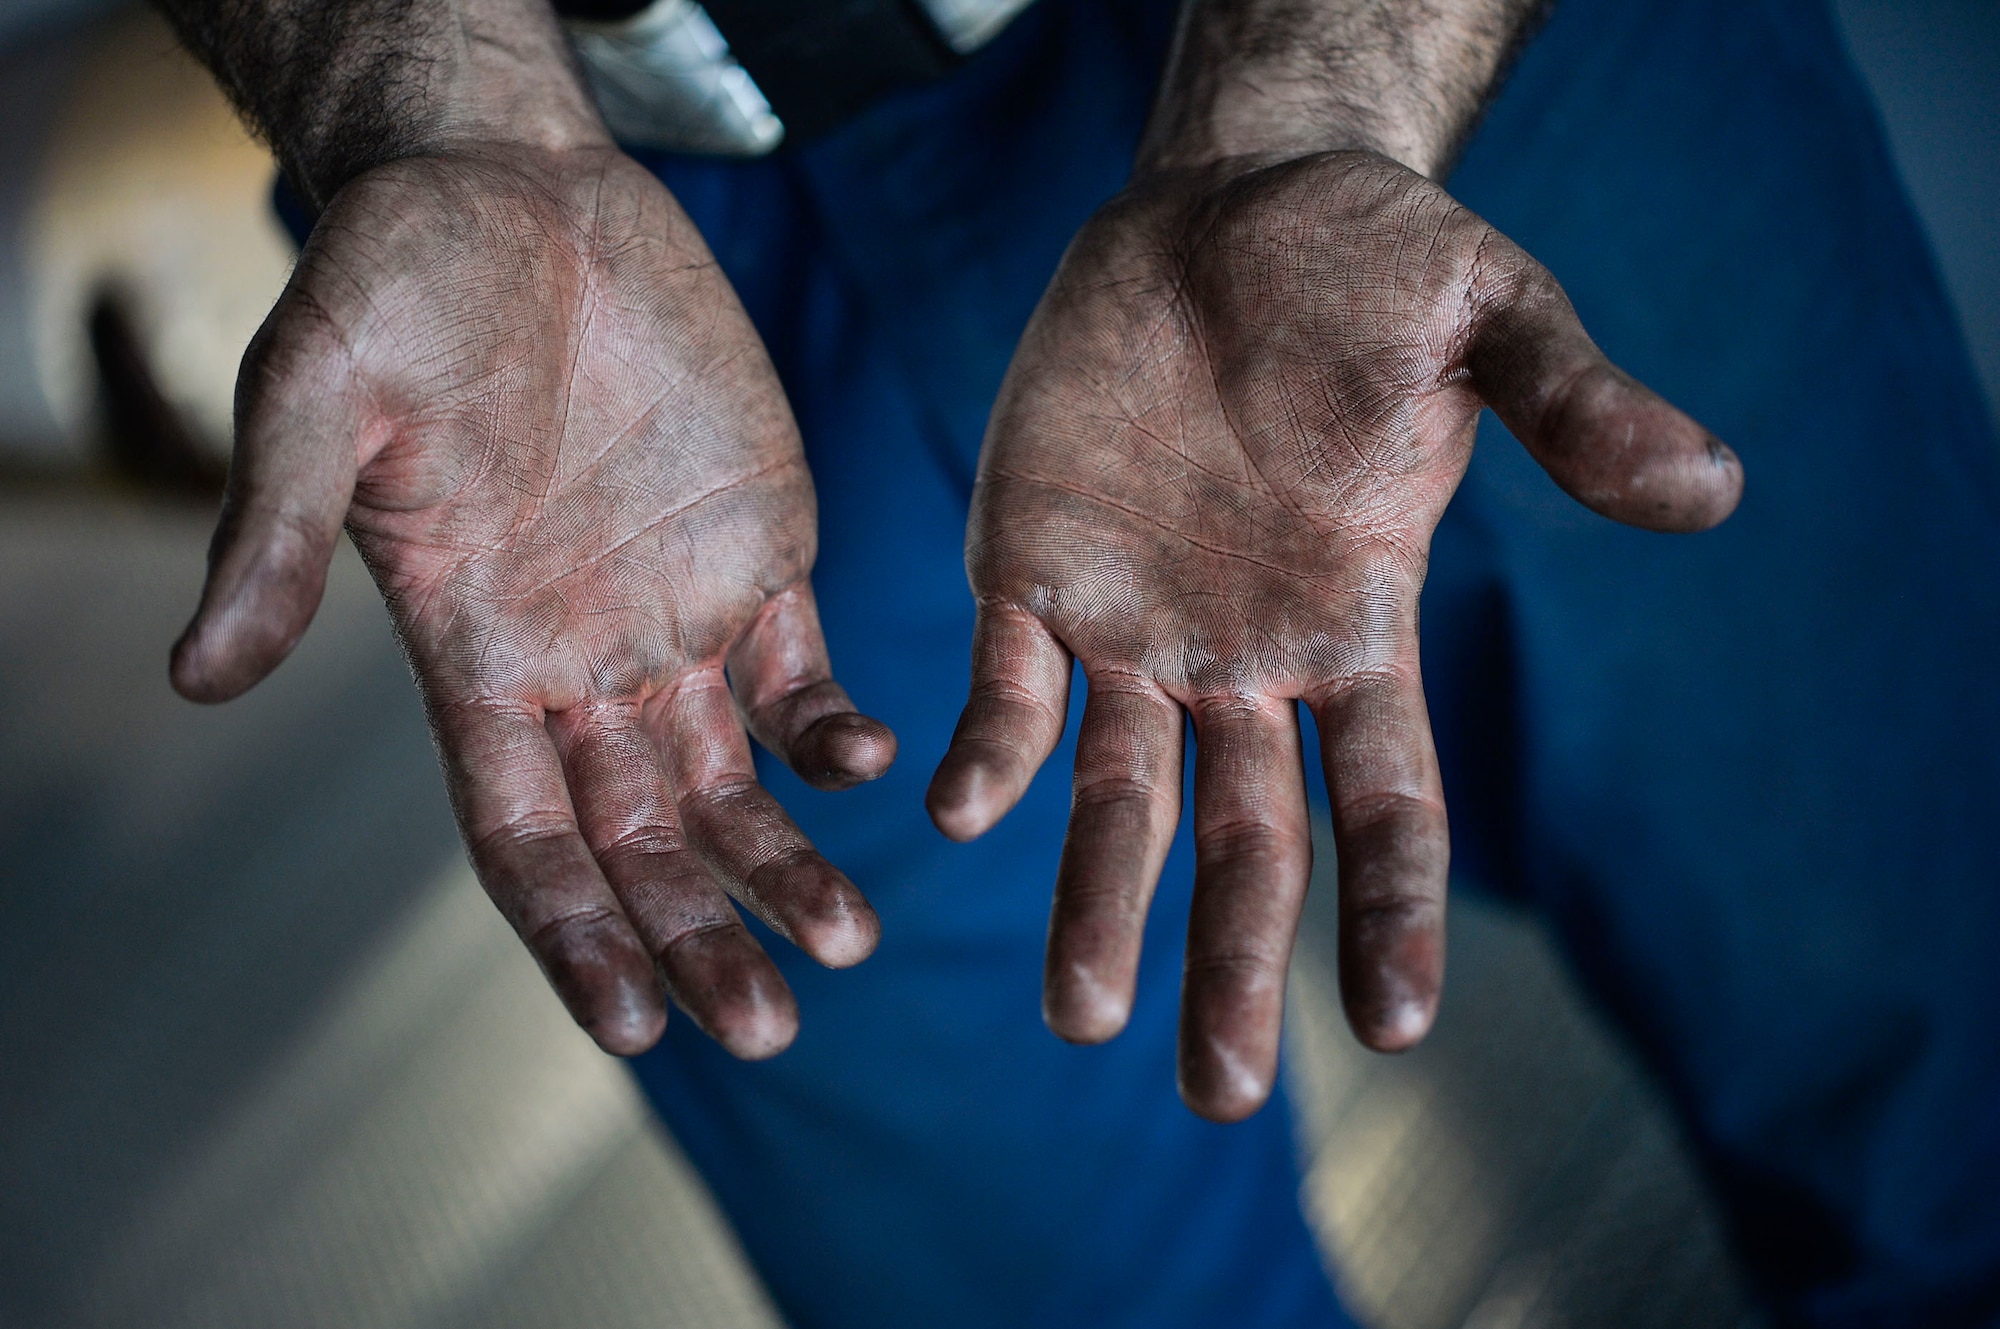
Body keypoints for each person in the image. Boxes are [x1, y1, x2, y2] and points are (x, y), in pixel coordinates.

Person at [152, 0, 2000, 1324]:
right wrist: (430, 105)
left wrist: (1319, 97)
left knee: (1937, 1087)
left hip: (1435, 72)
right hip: (609, 262)